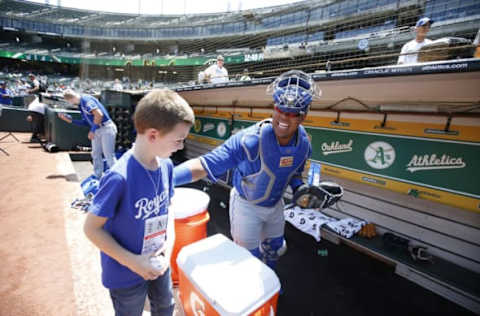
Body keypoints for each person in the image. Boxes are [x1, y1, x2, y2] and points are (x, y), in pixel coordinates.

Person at [173, 70, 323, 271]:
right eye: (280, 108)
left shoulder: (303, 144)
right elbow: (204, 164)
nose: (284, 117)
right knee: (248, 259)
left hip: (275, 204)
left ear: (303, 116)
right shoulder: (251, 140)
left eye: (293, 113)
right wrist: (163, 179)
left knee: (276, 248)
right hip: (247, 205)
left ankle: (269, 283)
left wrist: (300, 190)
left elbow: (294, 173)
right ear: (274, 106)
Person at [83, 89, 194, 316]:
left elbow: (168, 208)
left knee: (165, 306)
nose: (181, 147)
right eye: (178, 140)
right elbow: (91, 229)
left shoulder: (166, 166)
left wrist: (168, 245)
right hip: (125, 272)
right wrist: (134, 263)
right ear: (153, 135)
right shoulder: (118, 176)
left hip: (158, 261)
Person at [58, 90, 117, 179]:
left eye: (68, 101)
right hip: (98, 129)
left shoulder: (85, 99)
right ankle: (98, 176)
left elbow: (99, 115)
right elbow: (86, 122)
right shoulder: (81, 105)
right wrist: (70, 121)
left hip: (106, 127)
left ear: (70, 99)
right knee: (95, 154)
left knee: (108, 154)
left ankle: (117, 177)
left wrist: (92, 130)